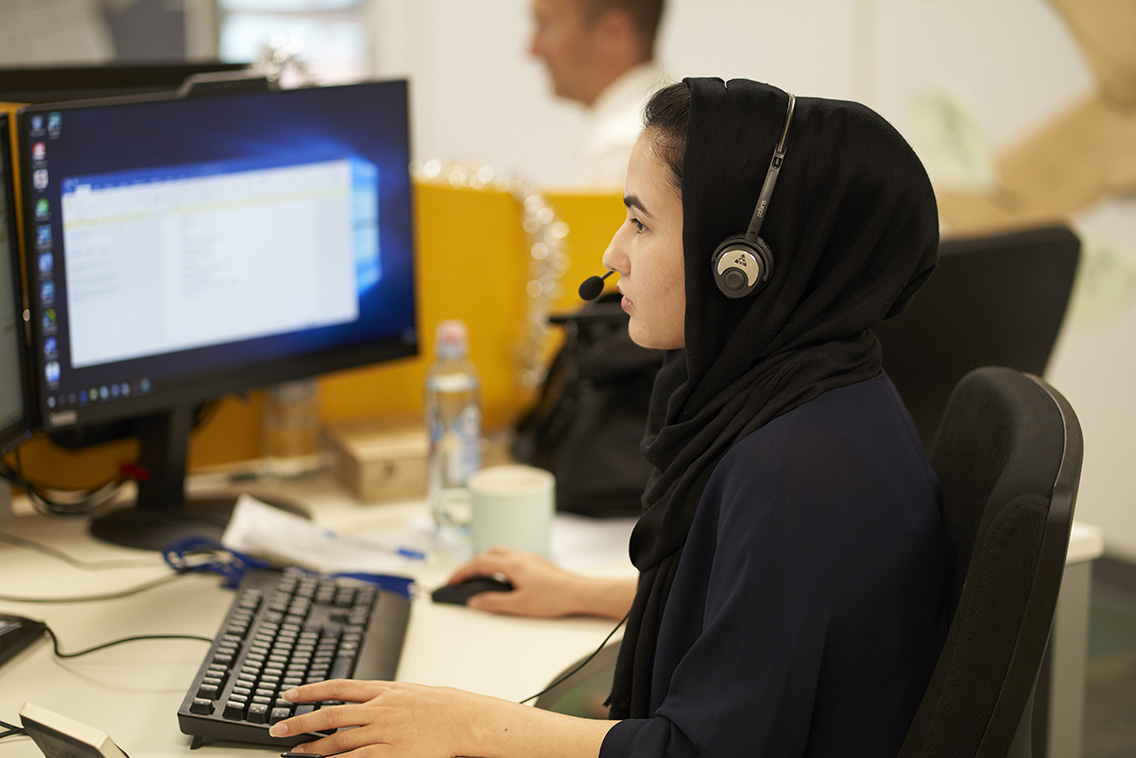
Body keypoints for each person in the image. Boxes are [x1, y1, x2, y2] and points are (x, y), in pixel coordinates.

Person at [268, 77, 950, 757]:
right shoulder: (823, 387)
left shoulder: (793, 467)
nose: (612, 254)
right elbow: (766, 617)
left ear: (738, 264)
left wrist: (463, 725)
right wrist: (584, 593)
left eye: (641, 222)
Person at [529, 0, 668, 186]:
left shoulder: (625, 152)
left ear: (612, 33)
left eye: (546, 24)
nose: (532, 49)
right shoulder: (674, 127)